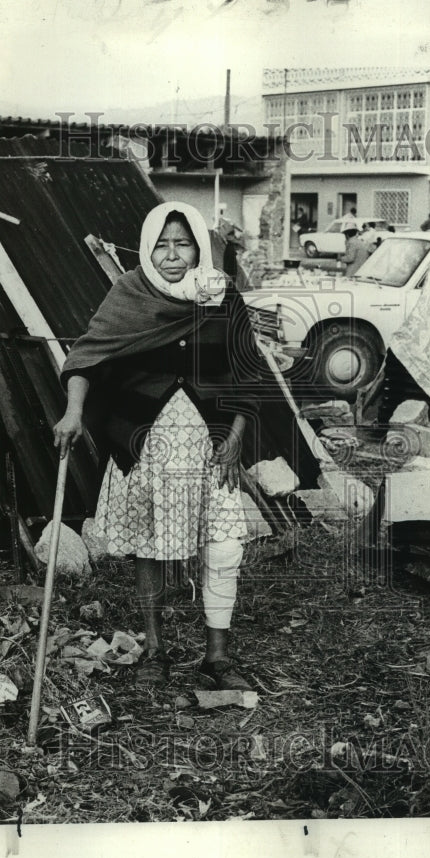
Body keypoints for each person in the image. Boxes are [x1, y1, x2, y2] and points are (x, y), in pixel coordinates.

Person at [54, 202, 261, 691]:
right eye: (161, 244)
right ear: (147, 248)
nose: (172, 254)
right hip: (145, 445)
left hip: (211, 447)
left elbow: (247, 370)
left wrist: (235, 436)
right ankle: (155, 647)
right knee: (150, 549)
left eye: (182, 243)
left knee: (225, 546)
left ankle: (216, 656)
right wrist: (73, 411)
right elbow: (88, 356)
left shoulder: (221, 297)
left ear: (198, 248)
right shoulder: (129, 292)